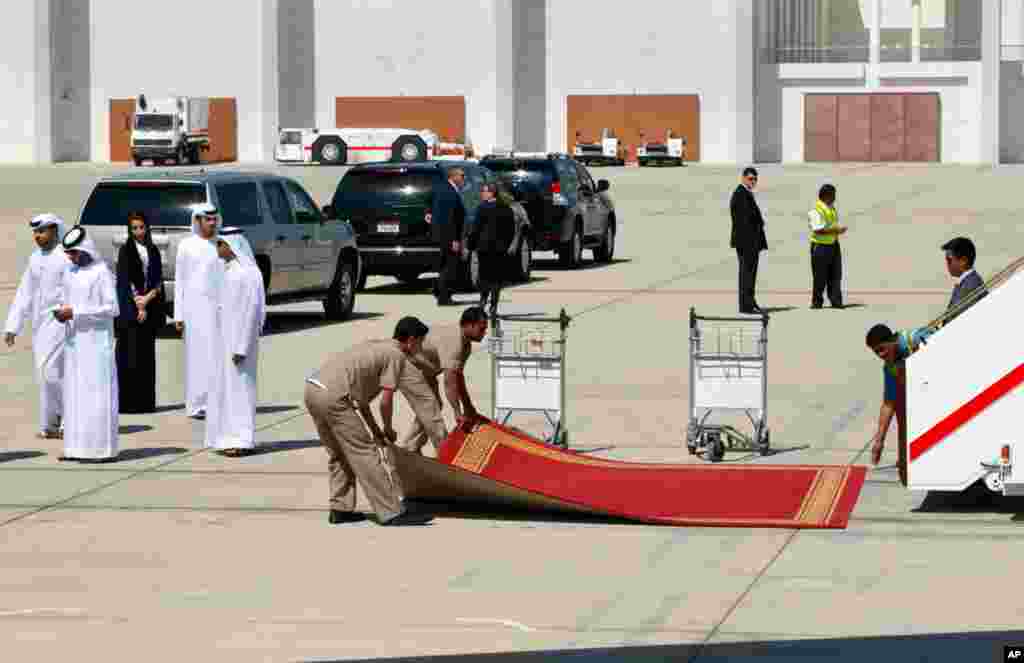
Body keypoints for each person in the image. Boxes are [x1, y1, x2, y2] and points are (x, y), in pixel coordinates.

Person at [304, 317, 441, 526]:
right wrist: (388, 428)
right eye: (420, 343)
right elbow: (385, 401)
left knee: (340, 453)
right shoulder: (396, 355)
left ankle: (340, 508)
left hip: (313, 389)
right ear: (411, 340)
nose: (420, 348)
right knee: (365, 453)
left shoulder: (376, 348)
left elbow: (362, 403)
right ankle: (391, 512)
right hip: (334, 396)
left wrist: (376, 431)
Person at [56, 226, 120, 462]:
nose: (70, 257)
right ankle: (74, 448)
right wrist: (61, 311)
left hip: (96, 343)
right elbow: (65, 300)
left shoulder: (101, 272)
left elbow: (112, 309)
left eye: (73, 253)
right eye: (68, 253)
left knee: (96, 395)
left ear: (85, 250)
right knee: (75, 395)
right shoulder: (70, 272)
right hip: (74, 342)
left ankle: (99, 450)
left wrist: (77, 312)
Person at [5, 214, 68, 439]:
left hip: (62, 322)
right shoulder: (35, 258)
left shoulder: (66, 255)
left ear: (54, 230)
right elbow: (25, 294)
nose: (37, 236)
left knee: (53, 372)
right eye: (35, 232)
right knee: (43, 374)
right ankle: (51, 423)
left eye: (41, 231)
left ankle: (67, 419)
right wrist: (13, 326)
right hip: (40, 325)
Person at [204, 231, 266, 457]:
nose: (217, 247)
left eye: (220, 243)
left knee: (240, 391)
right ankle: (226, 436)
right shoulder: (228, 270)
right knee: (226, 391)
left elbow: (251, 313)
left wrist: (242, 346)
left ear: (232, 246)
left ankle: (242, 440)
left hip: (240, 344)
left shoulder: (247, 274)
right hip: (225, 341)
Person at [398, 305, 489, 456]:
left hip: (425, 370)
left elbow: (458, 377)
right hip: (408, 365)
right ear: (468, 325)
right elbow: (449, 382)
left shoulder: (466, 344)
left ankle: (411, 447)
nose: (484, 333)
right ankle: (427, 449)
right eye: (481, 329)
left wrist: (468, 406)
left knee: (430, 407)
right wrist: (457, 412)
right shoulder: (455, 342)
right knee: (431, 406)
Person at [865, 323, 934, 486]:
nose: (880, 355)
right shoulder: (890, 366)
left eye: (882, 349)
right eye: (876, 352)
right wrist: (879, 441)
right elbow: (889, 404)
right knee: (905, 473)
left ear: (893, 341)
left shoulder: (916, 339)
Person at [173, 204, 224, 419]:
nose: (211, 223)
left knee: (216, 357)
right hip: (193, 311)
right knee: (196, 358)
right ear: (198, 221)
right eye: (207, 219)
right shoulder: (186, 245)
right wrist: (178, 314)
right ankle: (196, 404)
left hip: (217, 311)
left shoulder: (222, 245)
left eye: (214, 219)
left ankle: (215, 402)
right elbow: (180, 281)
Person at [115, 211, 165, 414]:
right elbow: (125, 281)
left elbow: (158, 281)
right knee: (129, 356)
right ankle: (128, 403)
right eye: (134, 228)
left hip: (149, 308)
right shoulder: (125, 251)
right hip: (131, 311)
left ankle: (145, 402)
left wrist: (147, 300)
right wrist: (138, 305)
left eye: (141, 227)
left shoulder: (153, 250)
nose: (138, 231)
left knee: (146, 357)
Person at [468, 182, 517, 313]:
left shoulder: (482, 208)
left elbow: (476, 229)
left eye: (484, 191)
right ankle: (494, 304)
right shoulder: (506, 208)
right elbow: (511, 230)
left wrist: (471, 244)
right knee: (496, 277)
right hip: (500, 248)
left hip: (484, 247)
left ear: (491, 193)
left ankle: (483, 300)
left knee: (484, 275)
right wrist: (506, 244)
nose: (482, 194)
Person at [729, 166, 768, 314]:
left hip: (751, 243)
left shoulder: (746, 193)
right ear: (743, 178)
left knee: (750, 274)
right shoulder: (740, 194)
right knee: (747, 274)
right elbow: (743, 222)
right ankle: (746, 305)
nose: (753, 181)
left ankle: (750, 302)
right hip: (747, 243)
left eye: (755, 179)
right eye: (751, 179)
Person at [807, 184, 848, 309]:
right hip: (820, 247)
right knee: (820, 276)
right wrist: (836, 231)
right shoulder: (815, 211)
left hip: (833, 245)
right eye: (833, 195)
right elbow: (818, 230)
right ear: (826, 196)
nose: (835, 198)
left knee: (836, 275)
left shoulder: (831, 208)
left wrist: (836, 232)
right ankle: (817, 302)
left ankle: (836, 301)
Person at [431, 167, 467, 306]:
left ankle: (439, 290)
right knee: (450, 267)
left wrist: (429, 212)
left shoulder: (443, 188)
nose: (464, 179)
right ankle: (444, 297)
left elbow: (430, 200)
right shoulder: (450, 192)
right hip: (448, 235)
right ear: (453, 177)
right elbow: (451, 218)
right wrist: (455, 239)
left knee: (444, 266)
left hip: (441, 235)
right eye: (462, 176)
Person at [941, 237, 986, 321]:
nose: (947, 264)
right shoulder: (966, 282)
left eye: (949, 260)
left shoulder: (971, 286)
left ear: (963, 260)